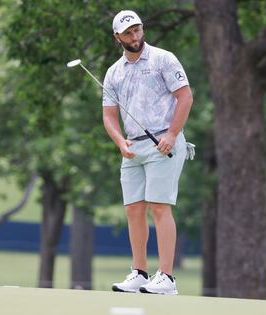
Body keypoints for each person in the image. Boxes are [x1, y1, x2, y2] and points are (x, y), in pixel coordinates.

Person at [102, 10, 193, 295]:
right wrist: (119, 141)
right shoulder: (114, 72)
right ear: (118, 37)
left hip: (163, 143)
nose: (135, 36)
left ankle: (166, 277)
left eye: (138, 30)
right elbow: (109, 115)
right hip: (132, 147)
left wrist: (172, 133)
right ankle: (140, 272)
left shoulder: (163, 59)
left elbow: (185, 96)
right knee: (133, 210)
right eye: (128, 33)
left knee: (159, 206)